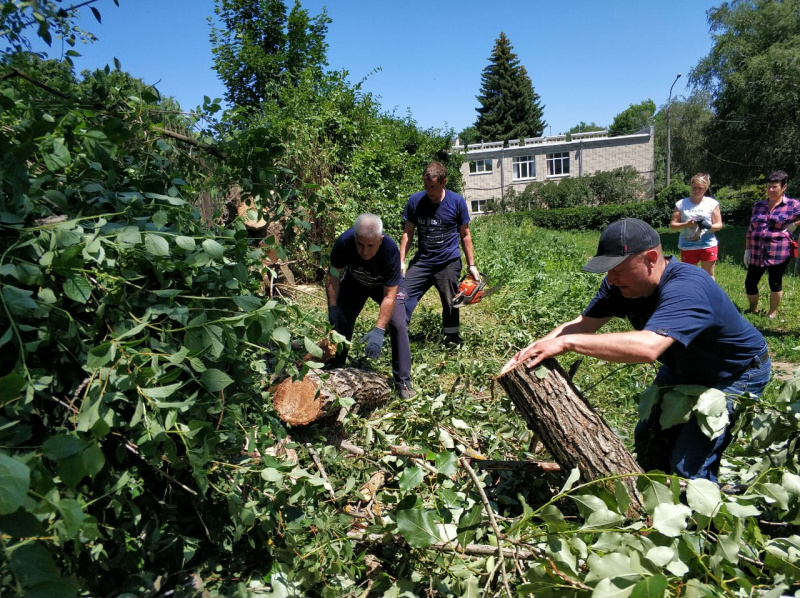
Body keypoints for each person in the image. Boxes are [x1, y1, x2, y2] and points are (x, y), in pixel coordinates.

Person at [502, 218, 771, 482]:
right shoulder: (620, 285)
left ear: (651, 258)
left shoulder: (688, 287)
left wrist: (566, 343)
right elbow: (584, 324)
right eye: (608, 270)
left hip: (735, 373)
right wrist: (534, 350)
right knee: (649, 438)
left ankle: (696, 521)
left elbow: (648, 347)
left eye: (618, 269)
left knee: (690, 462)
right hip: (682, 368)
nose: (611, 278)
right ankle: (656, 502)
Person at [327, 213, 413, 398]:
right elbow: (333, 273)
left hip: (384, 286)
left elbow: (390, 295)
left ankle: (403, 382)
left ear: (380, 240)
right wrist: (333, 307)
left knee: (398, 323)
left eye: (370, 246)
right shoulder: (344, 241)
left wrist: (379, 330)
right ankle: (335, 366)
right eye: (360, 244)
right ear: (355, 237)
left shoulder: (390, 251)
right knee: (342, 320)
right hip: (355, 281)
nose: (364, 251)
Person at [399, 162, 479, 345]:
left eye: (433, 187)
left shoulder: (456, 201)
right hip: (423, 261)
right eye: (426, 186)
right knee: (403, 296)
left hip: (448, 261)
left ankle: (451, 339)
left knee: (451, 301)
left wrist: (471, 265)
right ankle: (398, 335)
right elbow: (408, 232)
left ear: (444, 183)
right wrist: (401, 260)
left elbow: (465, 234)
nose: (429, 191)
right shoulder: (415, 201)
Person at [744, 170, 800, 319]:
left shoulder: (793, 205)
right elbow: (751, 229)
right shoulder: (758, 205)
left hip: (779, 251)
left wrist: (794, 224)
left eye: (774, 186)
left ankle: (772, 311)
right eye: (768, 186)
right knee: (750, 282)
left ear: (784, 187)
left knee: (774, 282)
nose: (770, 190)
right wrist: (747, 250)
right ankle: (753, 308)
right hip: (756, 251)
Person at [669, 173, 722, 279]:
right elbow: (673, 225)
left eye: (700, 188)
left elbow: (719, 225)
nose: (696, 191)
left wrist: (707, 226)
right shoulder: (681, 204)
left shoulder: (712, 203)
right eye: (694, 188)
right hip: (688, 246)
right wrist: (687, 224)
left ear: (705, 188)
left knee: (708, 275)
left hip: (708, 245)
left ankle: (709, 295)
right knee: (689, 276)